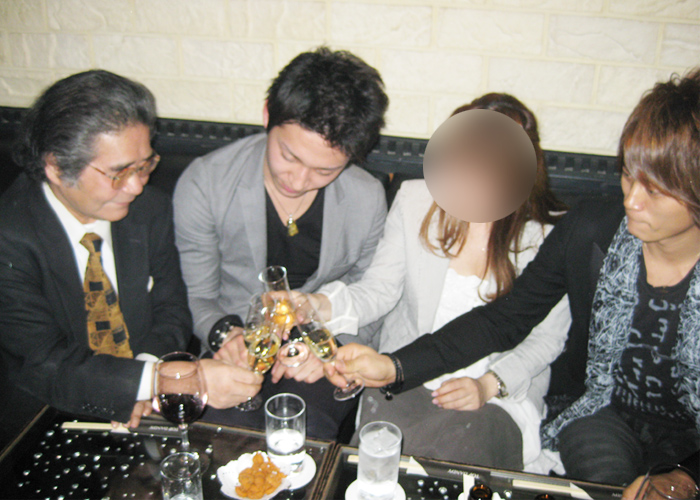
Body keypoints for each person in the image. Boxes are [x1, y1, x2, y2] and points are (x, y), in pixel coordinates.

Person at [328, 68, 700, 485]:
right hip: (604, 413)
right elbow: (502, 320)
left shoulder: (545, 231)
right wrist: (395, 366)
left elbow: (546, 339)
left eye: (656, 189)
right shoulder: (592, 232)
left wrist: (687, 473)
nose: (631, 200)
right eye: (629, 174)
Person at [302, 93, 570, 471]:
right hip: (406, 370)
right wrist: (317, 305)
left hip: (496, 392)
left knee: (460, 462)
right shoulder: (416, 201)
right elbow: (379, 290)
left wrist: (488, 385)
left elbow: (548, 339)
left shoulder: (546, 235)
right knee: (381, 471)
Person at [0, 70, 262, 450]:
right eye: (119, 172)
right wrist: (159, 380)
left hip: (141, 405)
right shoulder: (9, 237)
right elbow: (45, 362)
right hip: (42, 418)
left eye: (144, 165)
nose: (138, 185)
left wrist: (142, 377)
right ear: (56, 167)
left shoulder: (149, 210)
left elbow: (172, 305)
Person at [173, 47, 389, 439]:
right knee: (225, 438)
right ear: (267, 115)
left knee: (307, 432)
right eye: (288, 156)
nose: (299, 180)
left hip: (323, 344)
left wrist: (334, 351)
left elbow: (370, 294)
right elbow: (198, 295)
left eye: (324, 170)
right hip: (239, 338)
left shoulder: (366, 197)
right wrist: (227, 337)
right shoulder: (207, 183)